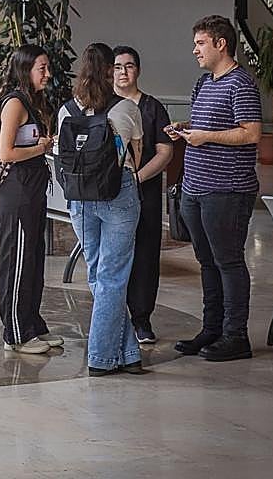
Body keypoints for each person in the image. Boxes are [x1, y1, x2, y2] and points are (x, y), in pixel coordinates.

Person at [167, 15, 262, 363]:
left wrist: (205, 136)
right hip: (195, 187)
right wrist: (186, 127)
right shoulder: (205, 83)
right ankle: (212, 329)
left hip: (227, 190)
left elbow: (250, 132)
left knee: (229, 262)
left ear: (221, 44)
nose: (195, 50)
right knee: (207, 262)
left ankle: (236, 336)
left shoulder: (241, 84)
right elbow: (209, 124)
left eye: (200, 43)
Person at [56, 43, 145, 375]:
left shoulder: (66, 111)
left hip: (79, 198)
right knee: (112, 277)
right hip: (118, 194)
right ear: (111, 71)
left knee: (99, 275)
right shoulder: (126, 109)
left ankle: (130, 352)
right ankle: (102, 358)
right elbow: (136, 154)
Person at [0, 44, 58, 355]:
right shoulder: (15, 104)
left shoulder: (33, 102)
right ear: (25, 70)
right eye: (41, 68)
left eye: (47, 68)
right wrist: (41, 148)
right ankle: (14, 333)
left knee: (33, 258)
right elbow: (6, 153)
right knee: (18, 261)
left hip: (32, 191)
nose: (47, 74)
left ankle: (32, 325)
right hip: (17, 192)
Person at [113, 45, 175, 345]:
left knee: (145, 256)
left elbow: (165, 152)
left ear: (137, 69)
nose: (123, 72)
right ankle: (114, 317)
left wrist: (136, 178)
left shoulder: (152, 107)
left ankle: (141, 319)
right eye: (117, 66)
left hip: (144, 192)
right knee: (113, 257)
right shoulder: (105, 106)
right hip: (110, 196)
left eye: (129, 66)